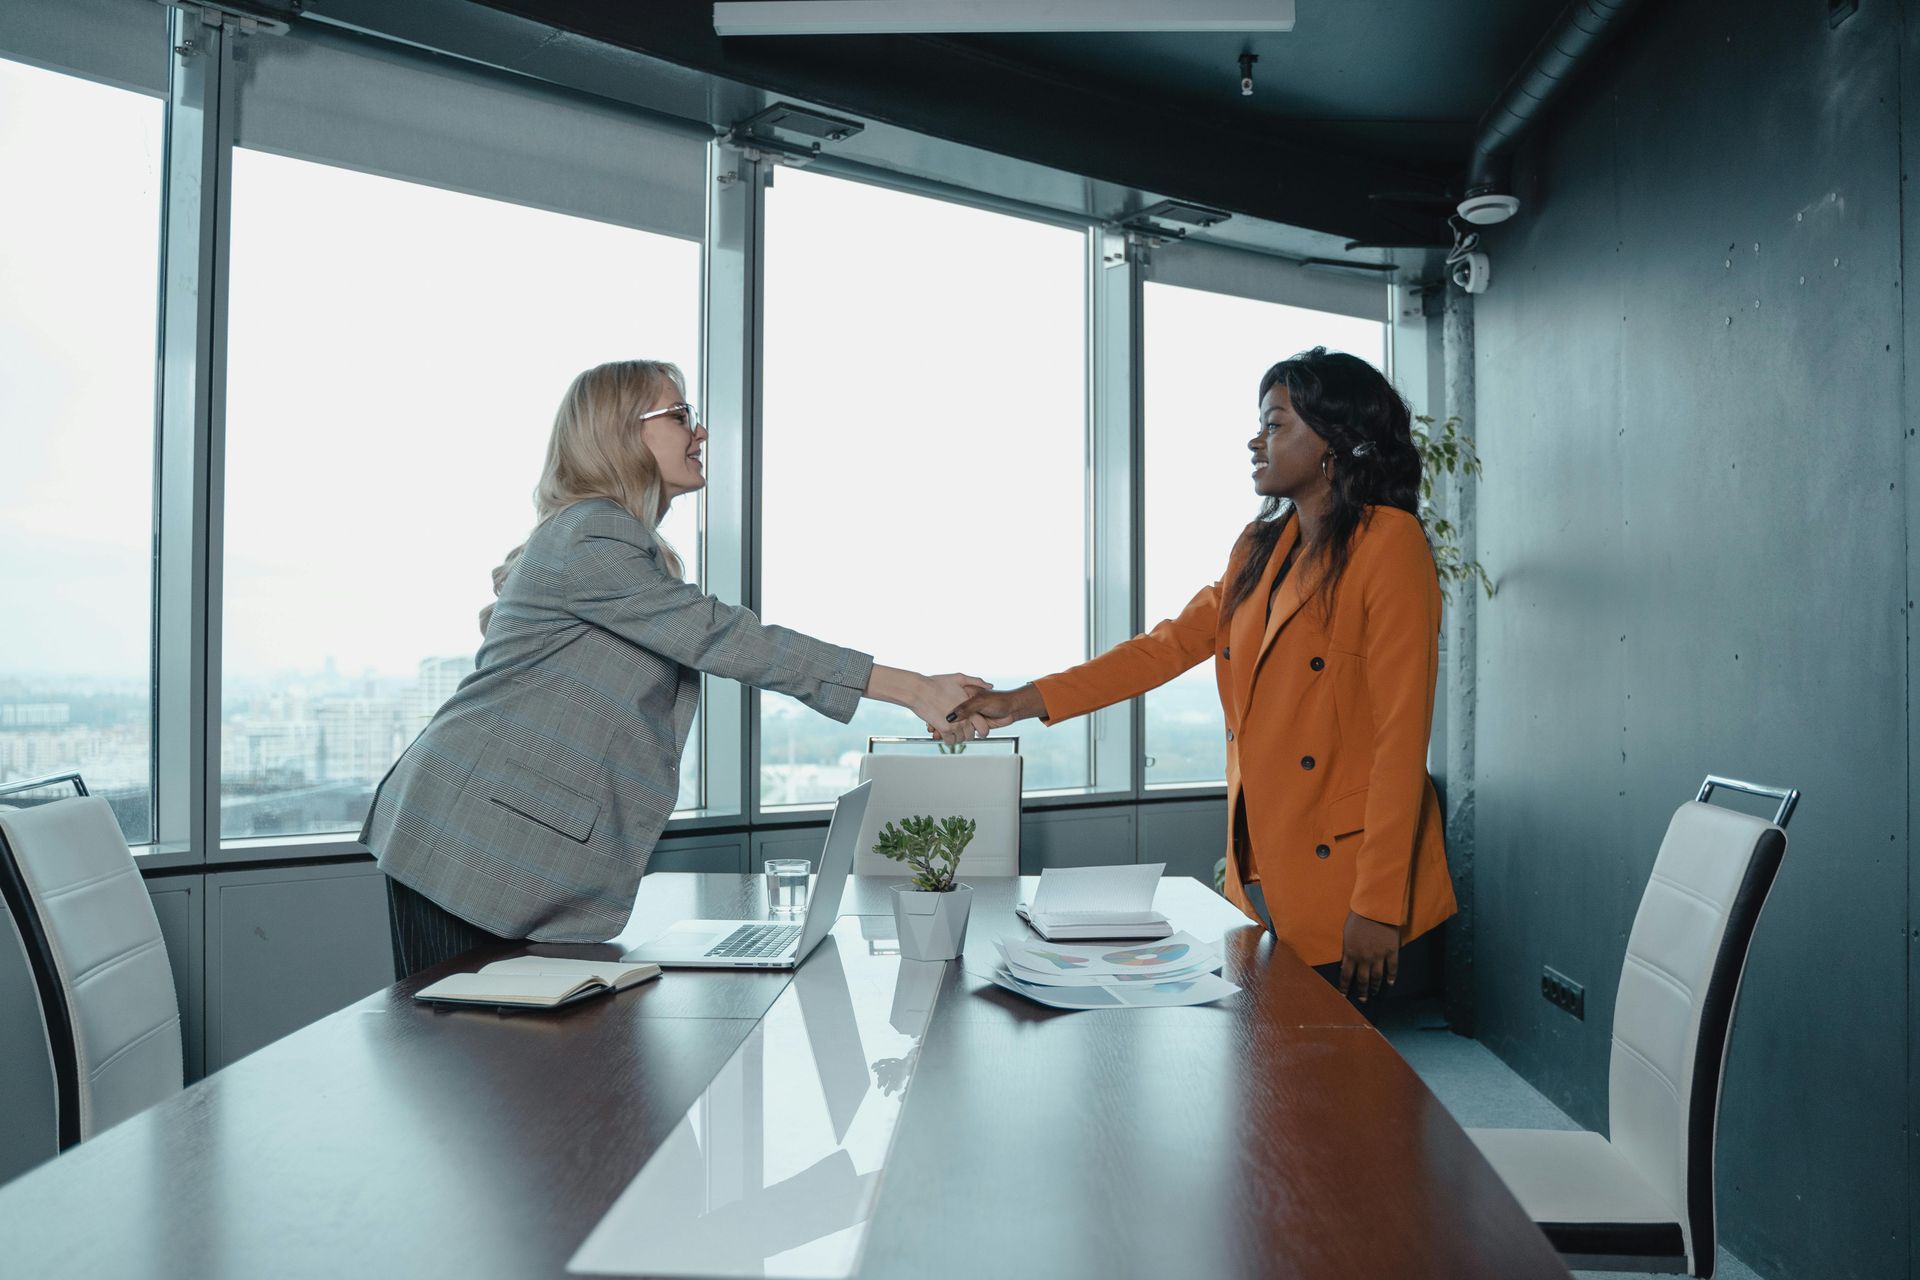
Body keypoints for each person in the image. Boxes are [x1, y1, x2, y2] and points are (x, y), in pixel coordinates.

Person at [364, 358, 986, 978]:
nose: (701, 432)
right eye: (681, 415)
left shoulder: (615, 541)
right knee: (462, 1055)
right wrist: (913, 689)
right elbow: (729, 638)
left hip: (499, 844)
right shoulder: (592, 536)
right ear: (623, 432)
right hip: (467, 843)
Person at [952, 347, 1455, 1006]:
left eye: (1276, 424)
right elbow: (1161, 649)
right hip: (1262, 870)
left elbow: (1400, 738)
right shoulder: (1259, 547)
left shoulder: (1390, 544)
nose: (1256, 440)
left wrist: (1380, 905)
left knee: (1344, 1096)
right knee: (1268, 1086)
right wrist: (1021, 701)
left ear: (1336, 441)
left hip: (1355, 882)